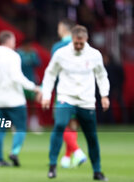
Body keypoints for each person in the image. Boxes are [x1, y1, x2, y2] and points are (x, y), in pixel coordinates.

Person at [41, 25, 110, 181]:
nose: (78, 46)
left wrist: (104, 95)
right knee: (59, 125)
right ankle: (52, 165)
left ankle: (97, 171)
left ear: (86, 40)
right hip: (66, 97)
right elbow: (50, 74)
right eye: (76, 43)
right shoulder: (61, 54)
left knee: (91, 135)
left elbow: (101, 75)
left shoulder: (94, 55)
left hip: (86, 100)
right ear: (72, 39)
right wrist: (46, 95)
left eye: (81, 43)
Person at [0, 31, 41, 167]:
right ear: (8, 41)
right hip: (14, 99)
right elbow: (17, 77)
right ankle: (14, 151)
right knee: (20, 128)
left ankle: (0, 159)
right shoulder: (13, 56)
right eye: (13, 41)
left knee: (0, 130)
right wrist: (33, 87)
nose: (14, 44)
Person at [51, 19, 87, 169]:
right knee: (73, 123)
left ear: (63, 28)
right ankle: (67, 158)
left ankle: (77, 152)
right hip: (81, 89)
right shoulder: (82, 46)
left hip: (64, 89)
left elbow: (53, 69)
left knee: (61, 123)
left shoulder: (58, 46)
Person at [17, 38, 42, 132]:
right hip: (20, 83)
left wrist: (32, 58)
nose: (29, 47)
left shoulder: (33, 53)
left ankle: (33, 124)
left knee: (32, 104)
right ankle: (18, 124)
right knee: (19, 104)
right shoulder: (18, 53)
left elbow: (38, 63)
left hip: (31, 81)